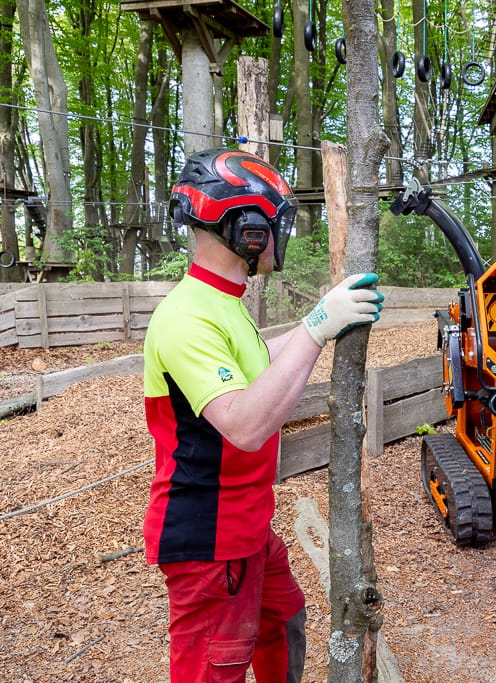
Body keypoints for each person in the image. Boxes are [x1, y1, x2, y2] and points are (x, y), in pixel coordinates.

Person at [142, 147, 384, 682]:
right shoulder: (186, 317)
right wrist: (316, 330)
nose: (279, 235)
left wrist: (316, 322)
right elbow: (244, 425)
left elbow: (256, 364)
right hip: (210, 538)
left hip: (246, 525)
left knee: (283, 618)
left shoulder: (222, 302)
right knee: (216, 664)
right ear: (247, 230)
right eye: (274, 224)